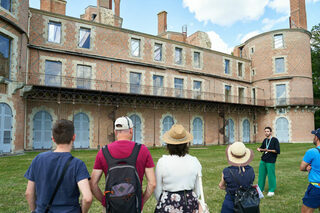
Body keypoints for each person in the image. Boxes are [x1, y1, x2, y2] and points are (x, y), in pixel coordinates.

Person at [90, 116, 156, 212]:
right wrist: (141, 201)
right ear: (131, 130)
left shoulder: (103, 152)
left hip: (111, 206)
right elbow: (152, 183)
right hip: (134, 205)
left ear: (115, 132)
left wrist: (105, 201)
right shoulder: (142, 150)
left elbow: (93, 184)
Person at [24, 119, 92, 213]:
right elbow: (87, 198)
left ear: (53, 139)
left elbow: (29, 193)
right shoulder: (78, 164)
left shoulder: (38, 159)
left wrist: (34, 210)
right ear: (74, 137)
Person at [154, 124, 202, 213]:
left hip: (168, 202)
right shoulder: (194, 161)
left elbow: (157, 189)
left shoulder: (162, 162)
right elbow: (198, 189)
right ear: (186, 144)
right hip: (189, 202)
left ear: (168, 144)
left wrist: (163, 201)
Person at [219, 142, 255, 213]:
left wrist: (229, 188)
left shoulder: (226, 171)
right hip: (247, 201)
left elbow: (221, 186)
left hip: (230, 201)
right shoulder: (251, 170)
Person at [300, 128, 320, 213]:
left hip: (316, 187)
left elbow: (302, 168)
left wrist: (307, 167)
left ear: (317, 137)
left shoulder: (312, 152)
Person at [256, 126, 280, 197]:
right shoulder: (265, 140)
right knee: (261, 175)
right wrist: (259, 149)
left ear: (270, 132)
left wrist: (267, 150)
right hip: (263, 160)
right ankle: (260, 189)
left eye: (268, 131)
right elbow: (262, 148)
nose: (266, 133)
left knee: (271, 176)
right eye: (265, 131)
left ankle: (271, 190)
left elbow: (277, 150)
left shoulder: (275, 140)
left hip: (271, 161)